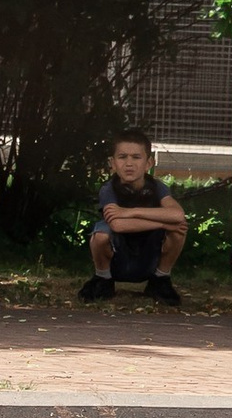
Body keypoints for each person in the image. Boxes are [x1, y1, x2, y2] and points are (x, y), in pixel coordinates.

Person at [81, 131, 189, 306]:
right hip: (119, 259)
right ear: (112, 163)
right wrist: (163, 223)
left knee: (179, 229)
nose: (129, 163)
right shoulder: (108, 189)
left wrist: (128, 212)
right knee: (100, 235)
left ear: (148, 163)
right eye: (122, 157)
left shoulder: (157, 187)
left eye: (136, 157)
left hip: (148, 257)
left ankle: (160, 279)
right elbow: (117, 225)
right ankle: (103, 279)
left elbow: (177, 215)